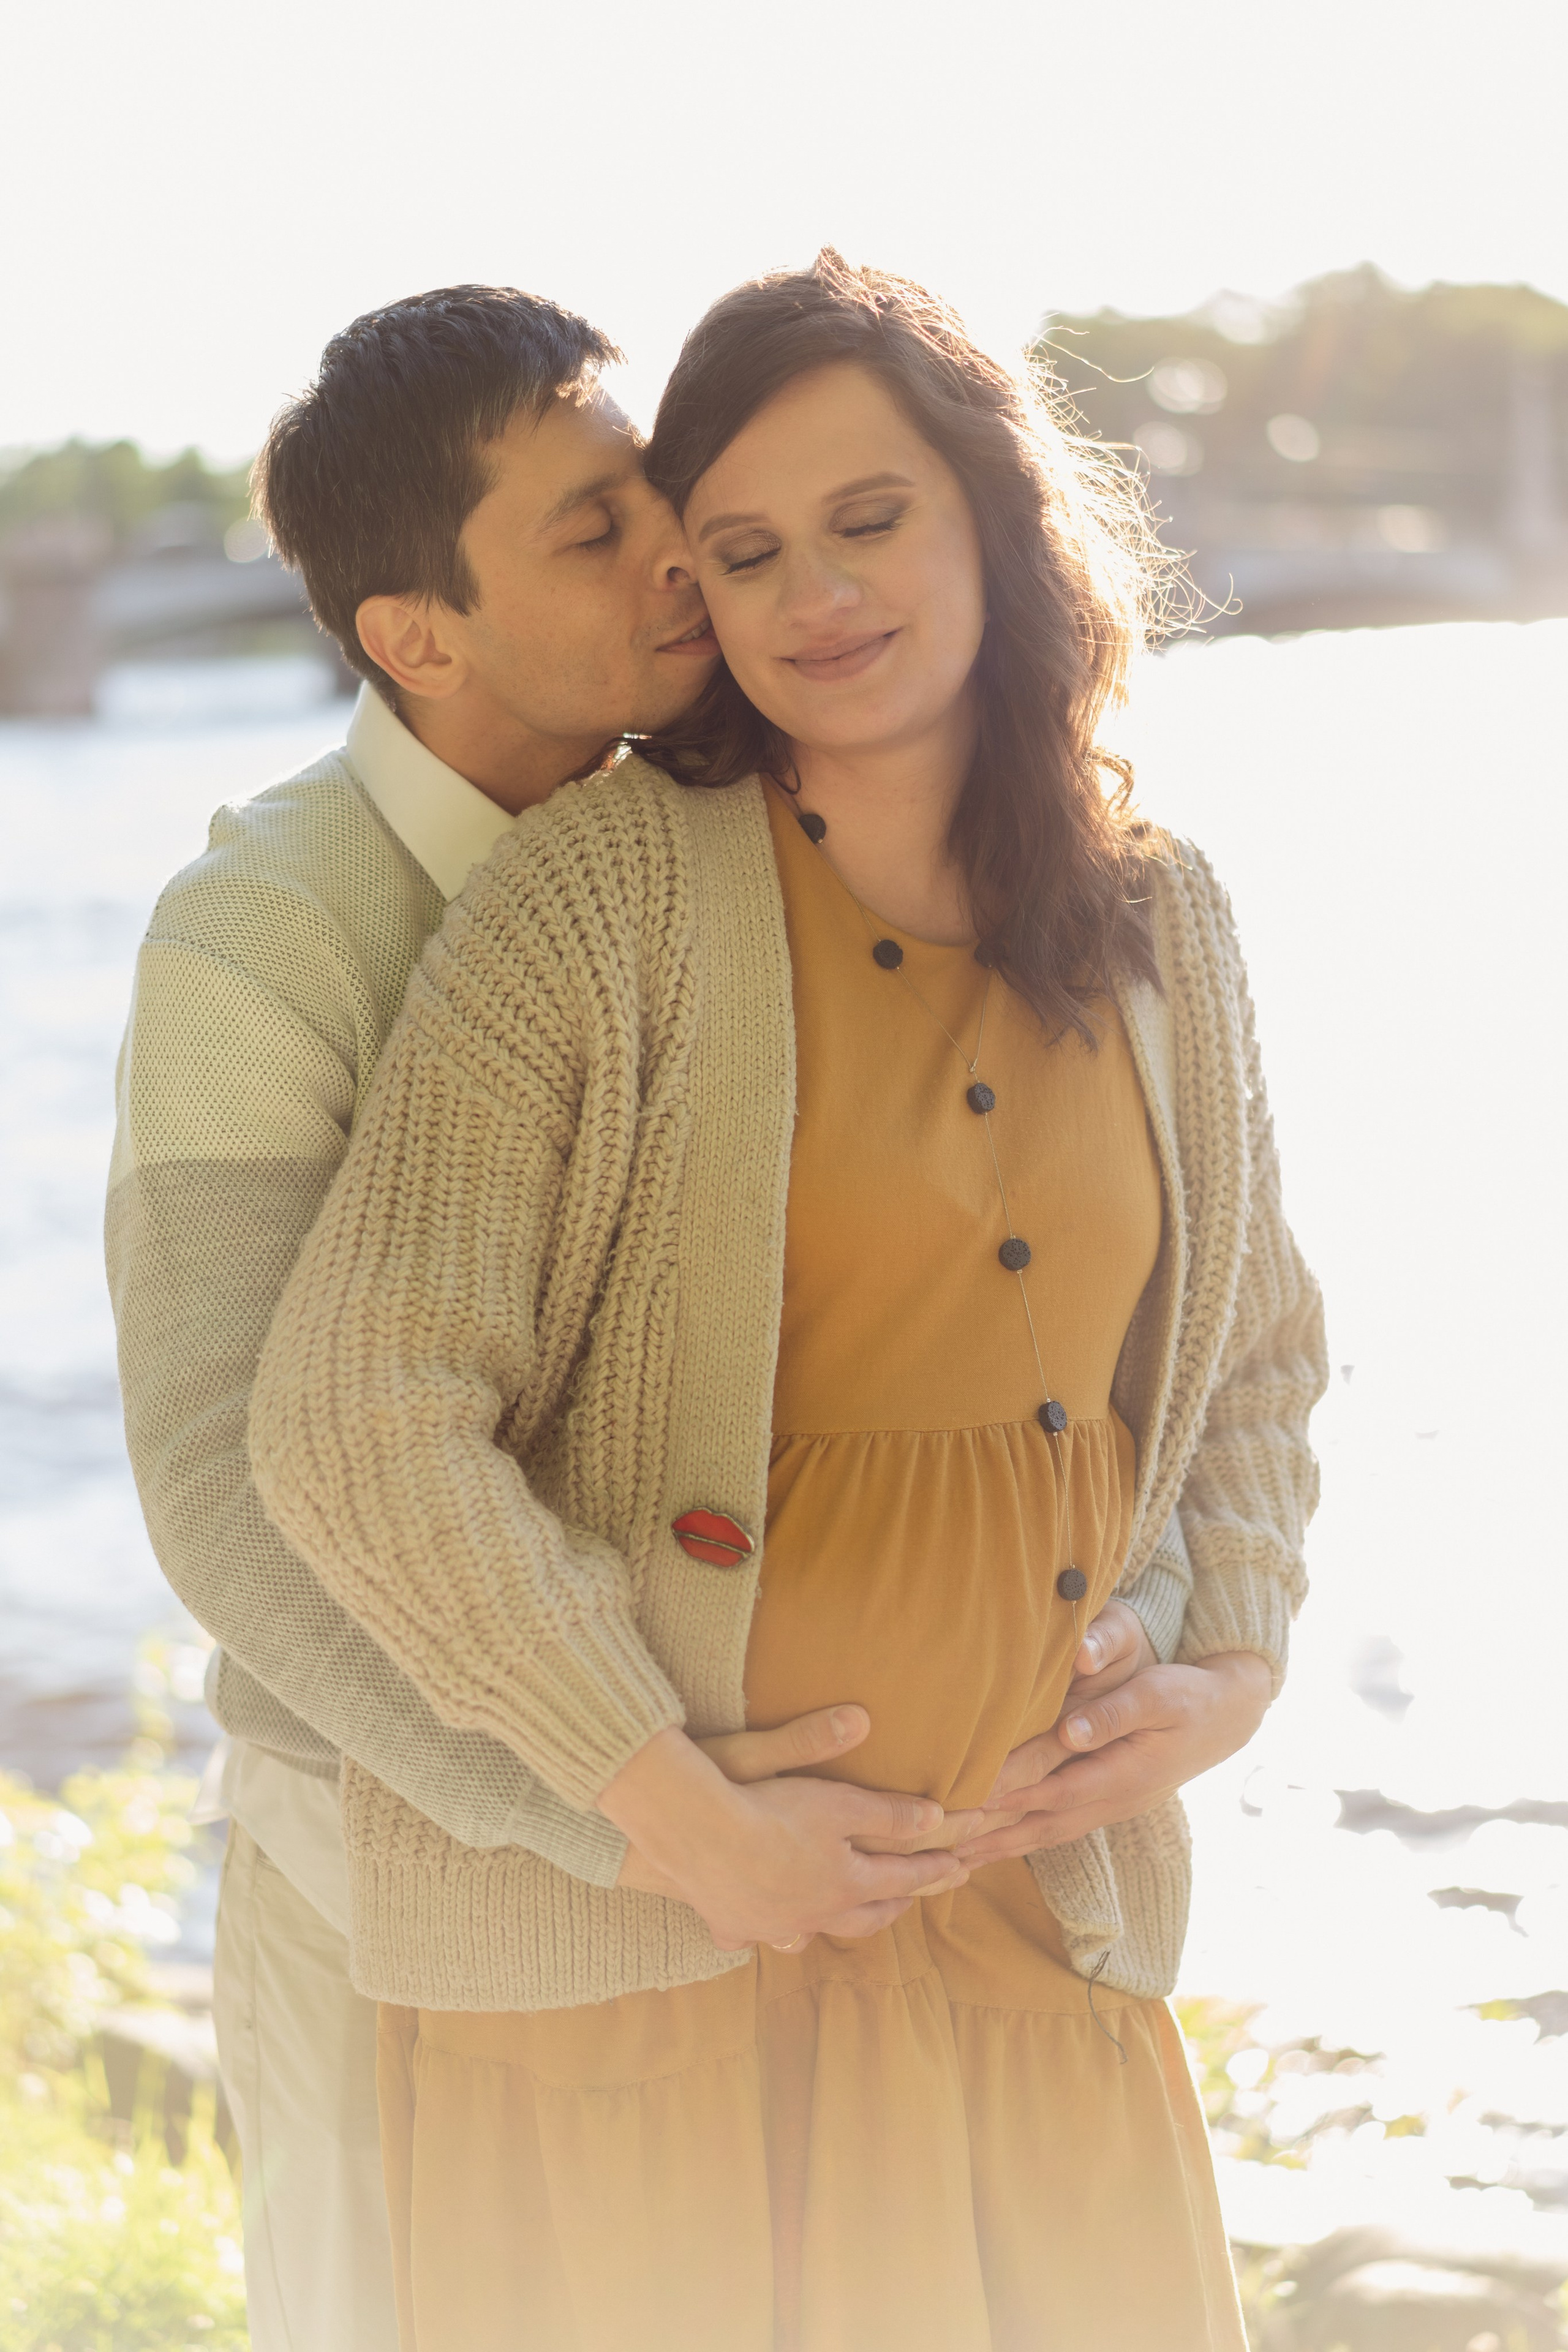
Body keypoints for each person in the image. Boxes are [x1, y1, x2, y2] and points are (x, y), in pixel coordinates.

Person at [247, 254, 1326, 2352]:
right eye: (741, 552)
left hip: (1034, 1946)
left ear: (998, 524)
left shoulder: (1161, 914)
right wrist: (666, 1809)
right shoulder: (606, 900)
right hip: (658, 1988)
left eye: (868, 520)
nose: (812, 593)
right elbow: (349, 1417)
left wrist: (1243, 1658)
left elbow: (1259, 1352)